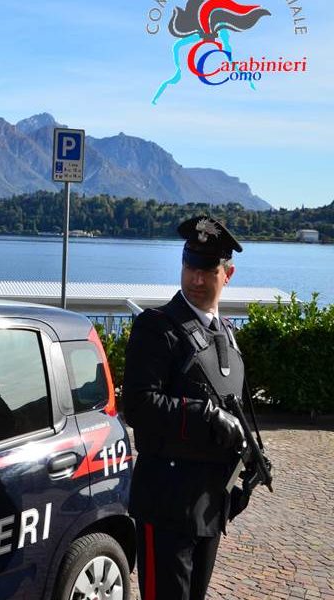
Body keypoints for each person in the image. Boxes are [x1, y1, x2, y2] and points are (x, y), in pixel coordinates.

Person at [124, 215, 252, 600]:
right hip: (165, 505)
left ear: (227, 273)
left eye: (207, 270)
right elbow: (139, 405)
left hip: (208, 506)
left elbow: (238, 409)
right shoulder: (157, 328)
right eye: (189, 267)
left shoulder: (226, 335)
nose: (196, 280)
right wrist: (207, 416)